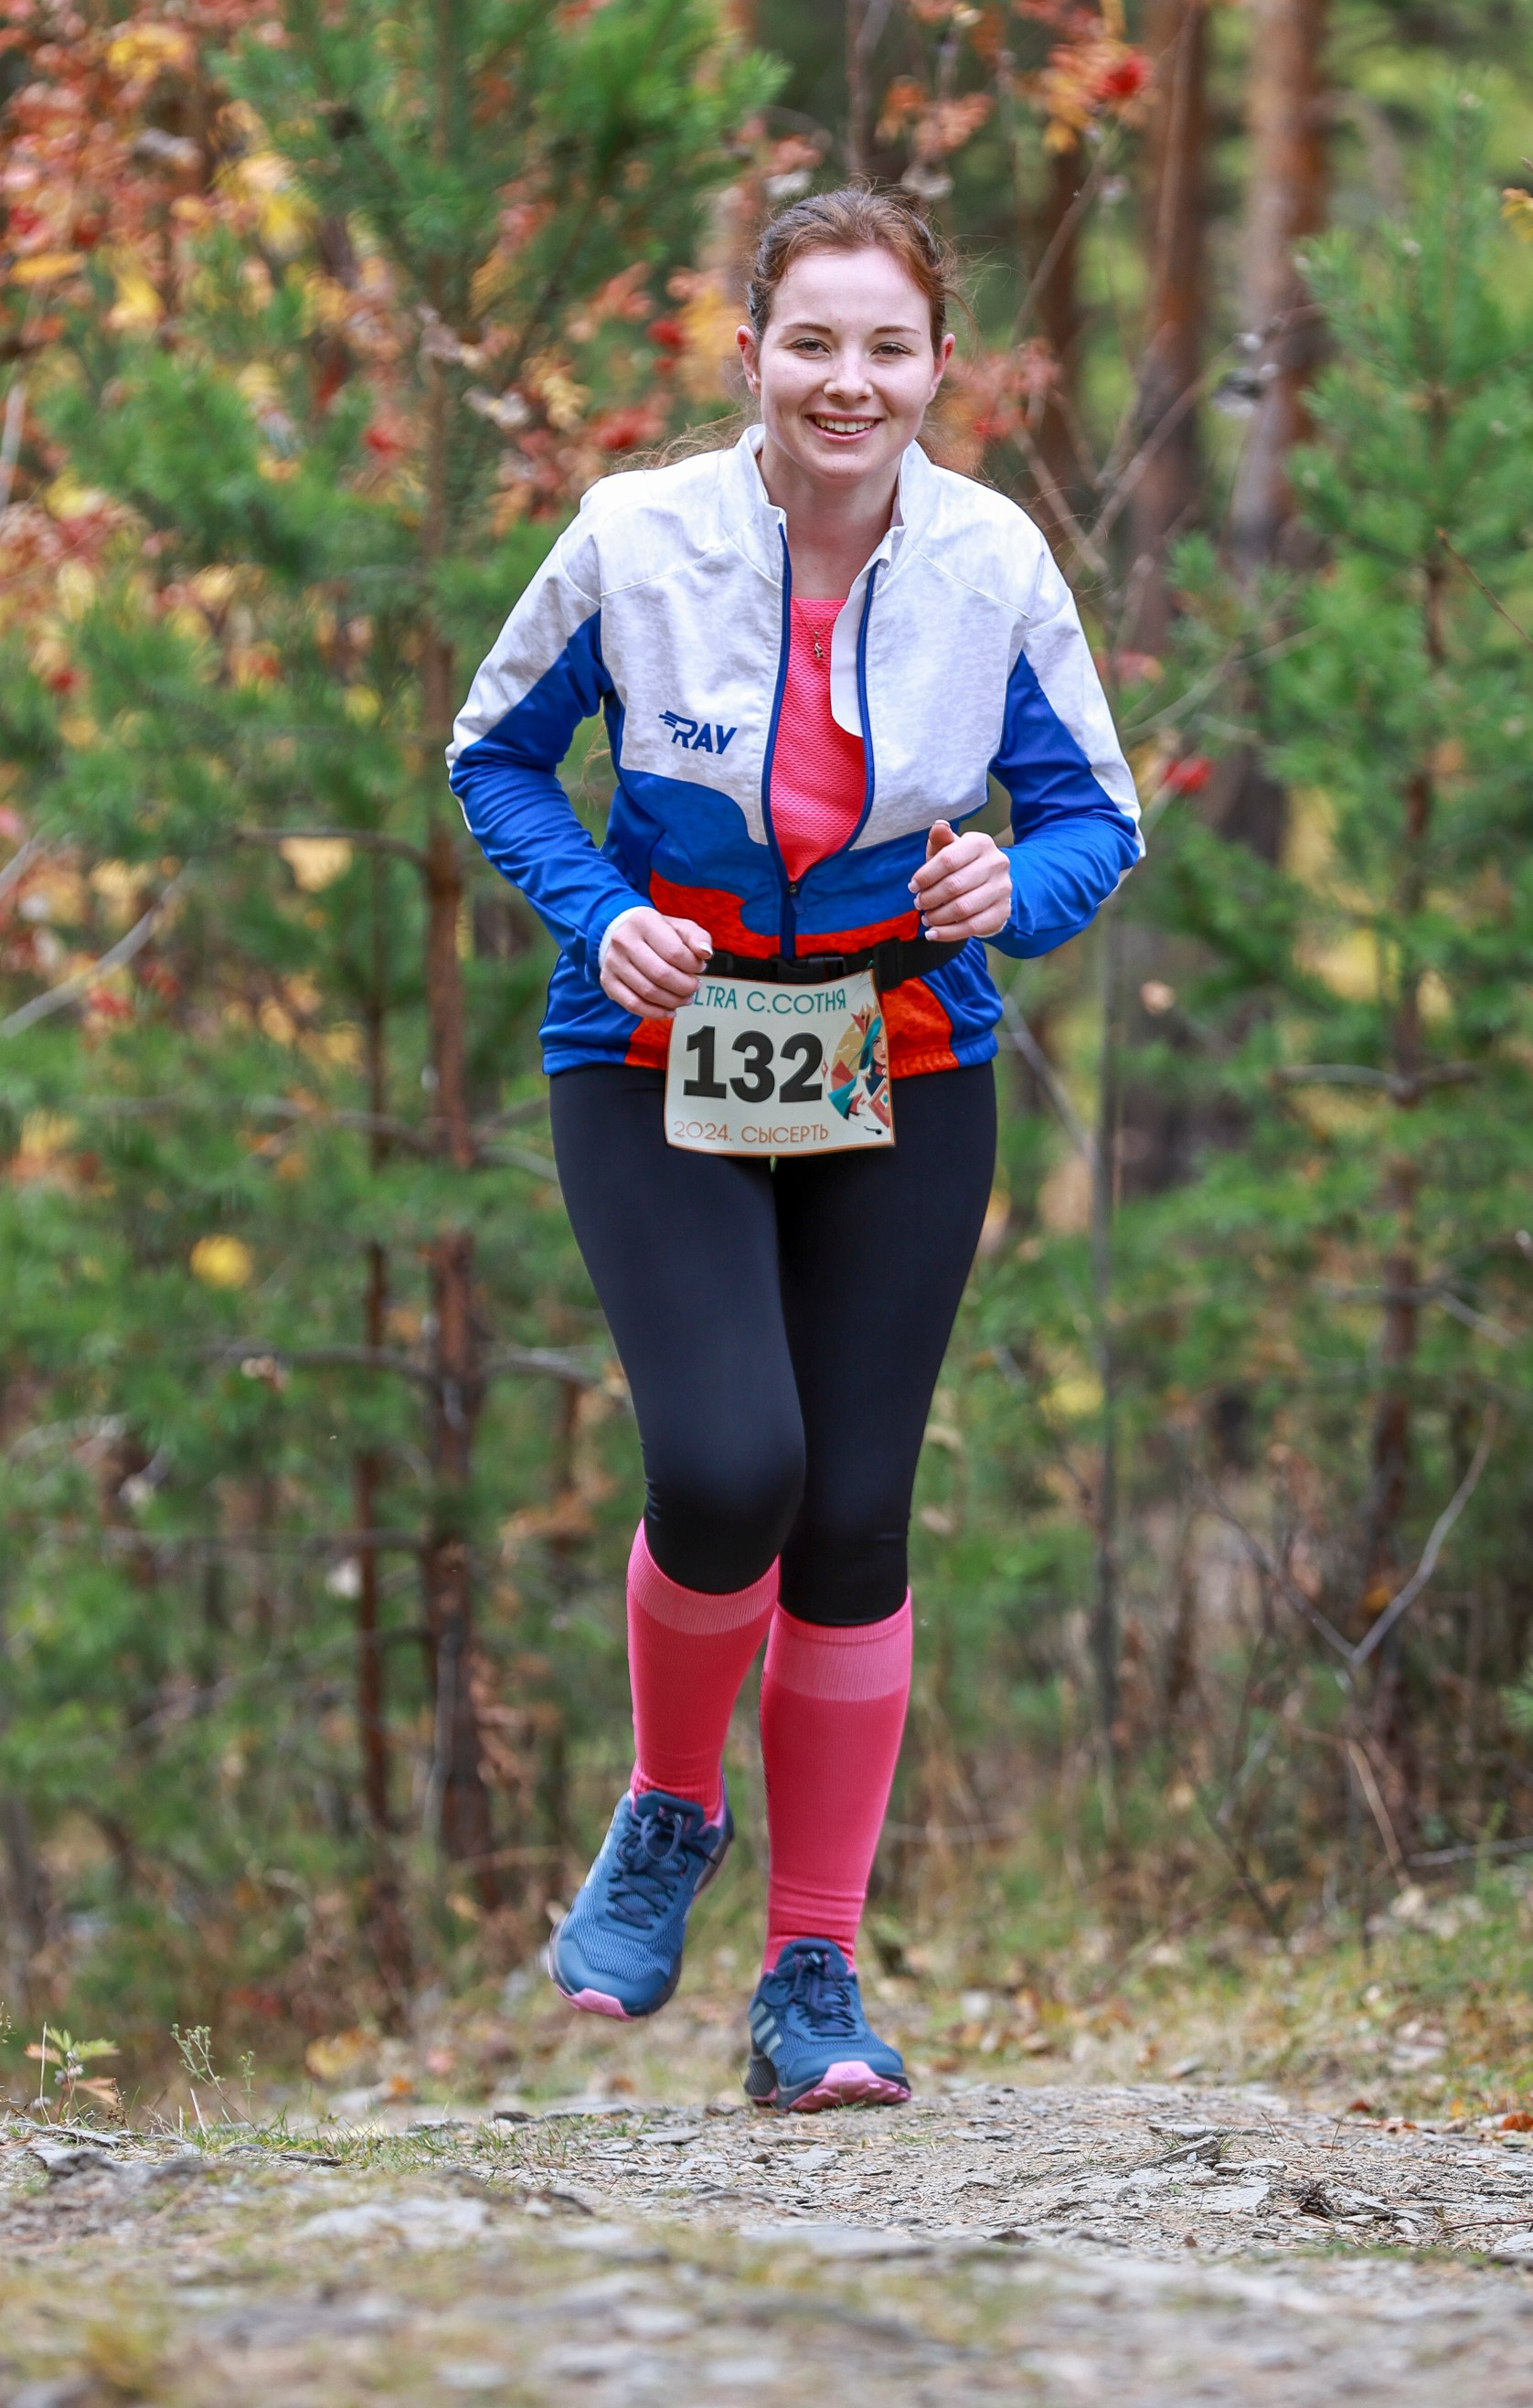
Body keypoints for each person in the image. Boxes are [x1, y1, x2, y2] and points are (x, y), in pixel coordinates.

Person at [448, 188, 1142, 2112]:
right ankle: (670, 1812)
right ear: (745, 355)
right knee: (729, 1462)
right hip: (654, 1046)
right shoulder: (631, 540)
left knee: (849, 1517)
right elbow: (489, 757)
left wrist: (1018, 884)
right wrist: (598, 909)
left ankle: (813, 1977)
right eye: (812, 344)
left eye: (889, 348)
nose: (851, 382)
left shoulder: (993, 563)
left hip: (903, 1061)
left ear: (939, 369)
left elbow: (1097, 818)